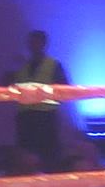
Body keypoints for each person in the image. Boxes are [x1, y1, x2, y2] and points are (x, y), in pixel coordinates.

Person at [6, 29, 70, 167]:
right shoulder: (21, 66)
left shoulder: (53, 65)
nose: (33, 45)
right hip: (26, 117)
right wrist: (12, 68)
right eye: (31, 42)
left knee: (48, 156)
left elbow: (65, 90)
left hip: (46, 117)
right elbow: (4, 84)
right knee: (26, 155)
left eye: (37, 42)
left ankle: (49, 178)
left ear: (43, 44)